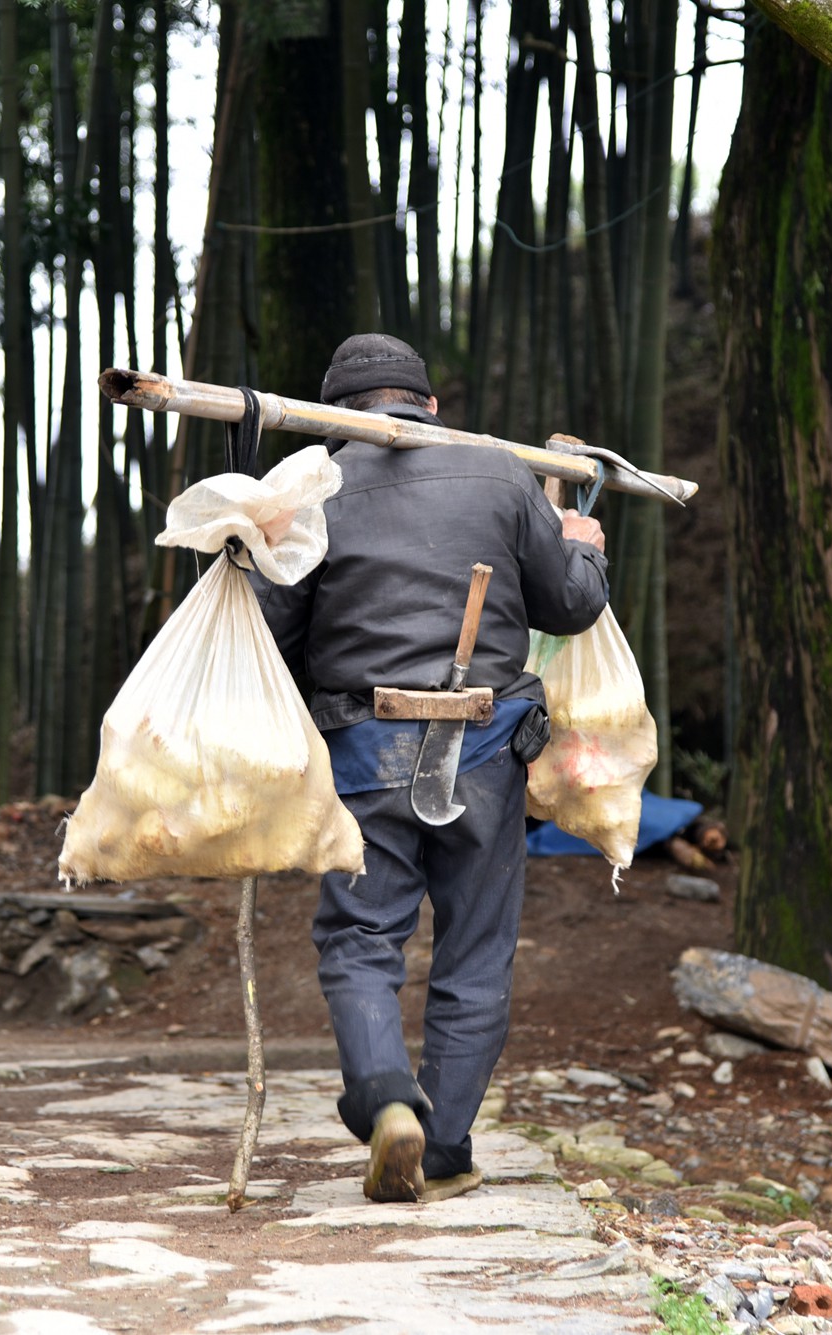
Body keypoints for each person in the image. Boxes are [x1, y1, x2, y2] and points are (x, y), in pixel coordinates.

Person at [254, 333, 609, 1204]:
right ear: (429, 407)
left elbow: (270, 633)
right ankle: (444, 1146)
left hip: (367, 748)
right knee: (476, 951)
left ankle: (384, 1099)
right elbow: (571, 603)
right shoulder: (497, 472)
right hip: (489, 749)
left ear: (339, 416)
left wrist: (249, 550)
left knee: (361, 936)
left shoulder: (314, 489)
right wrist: (583, 543)